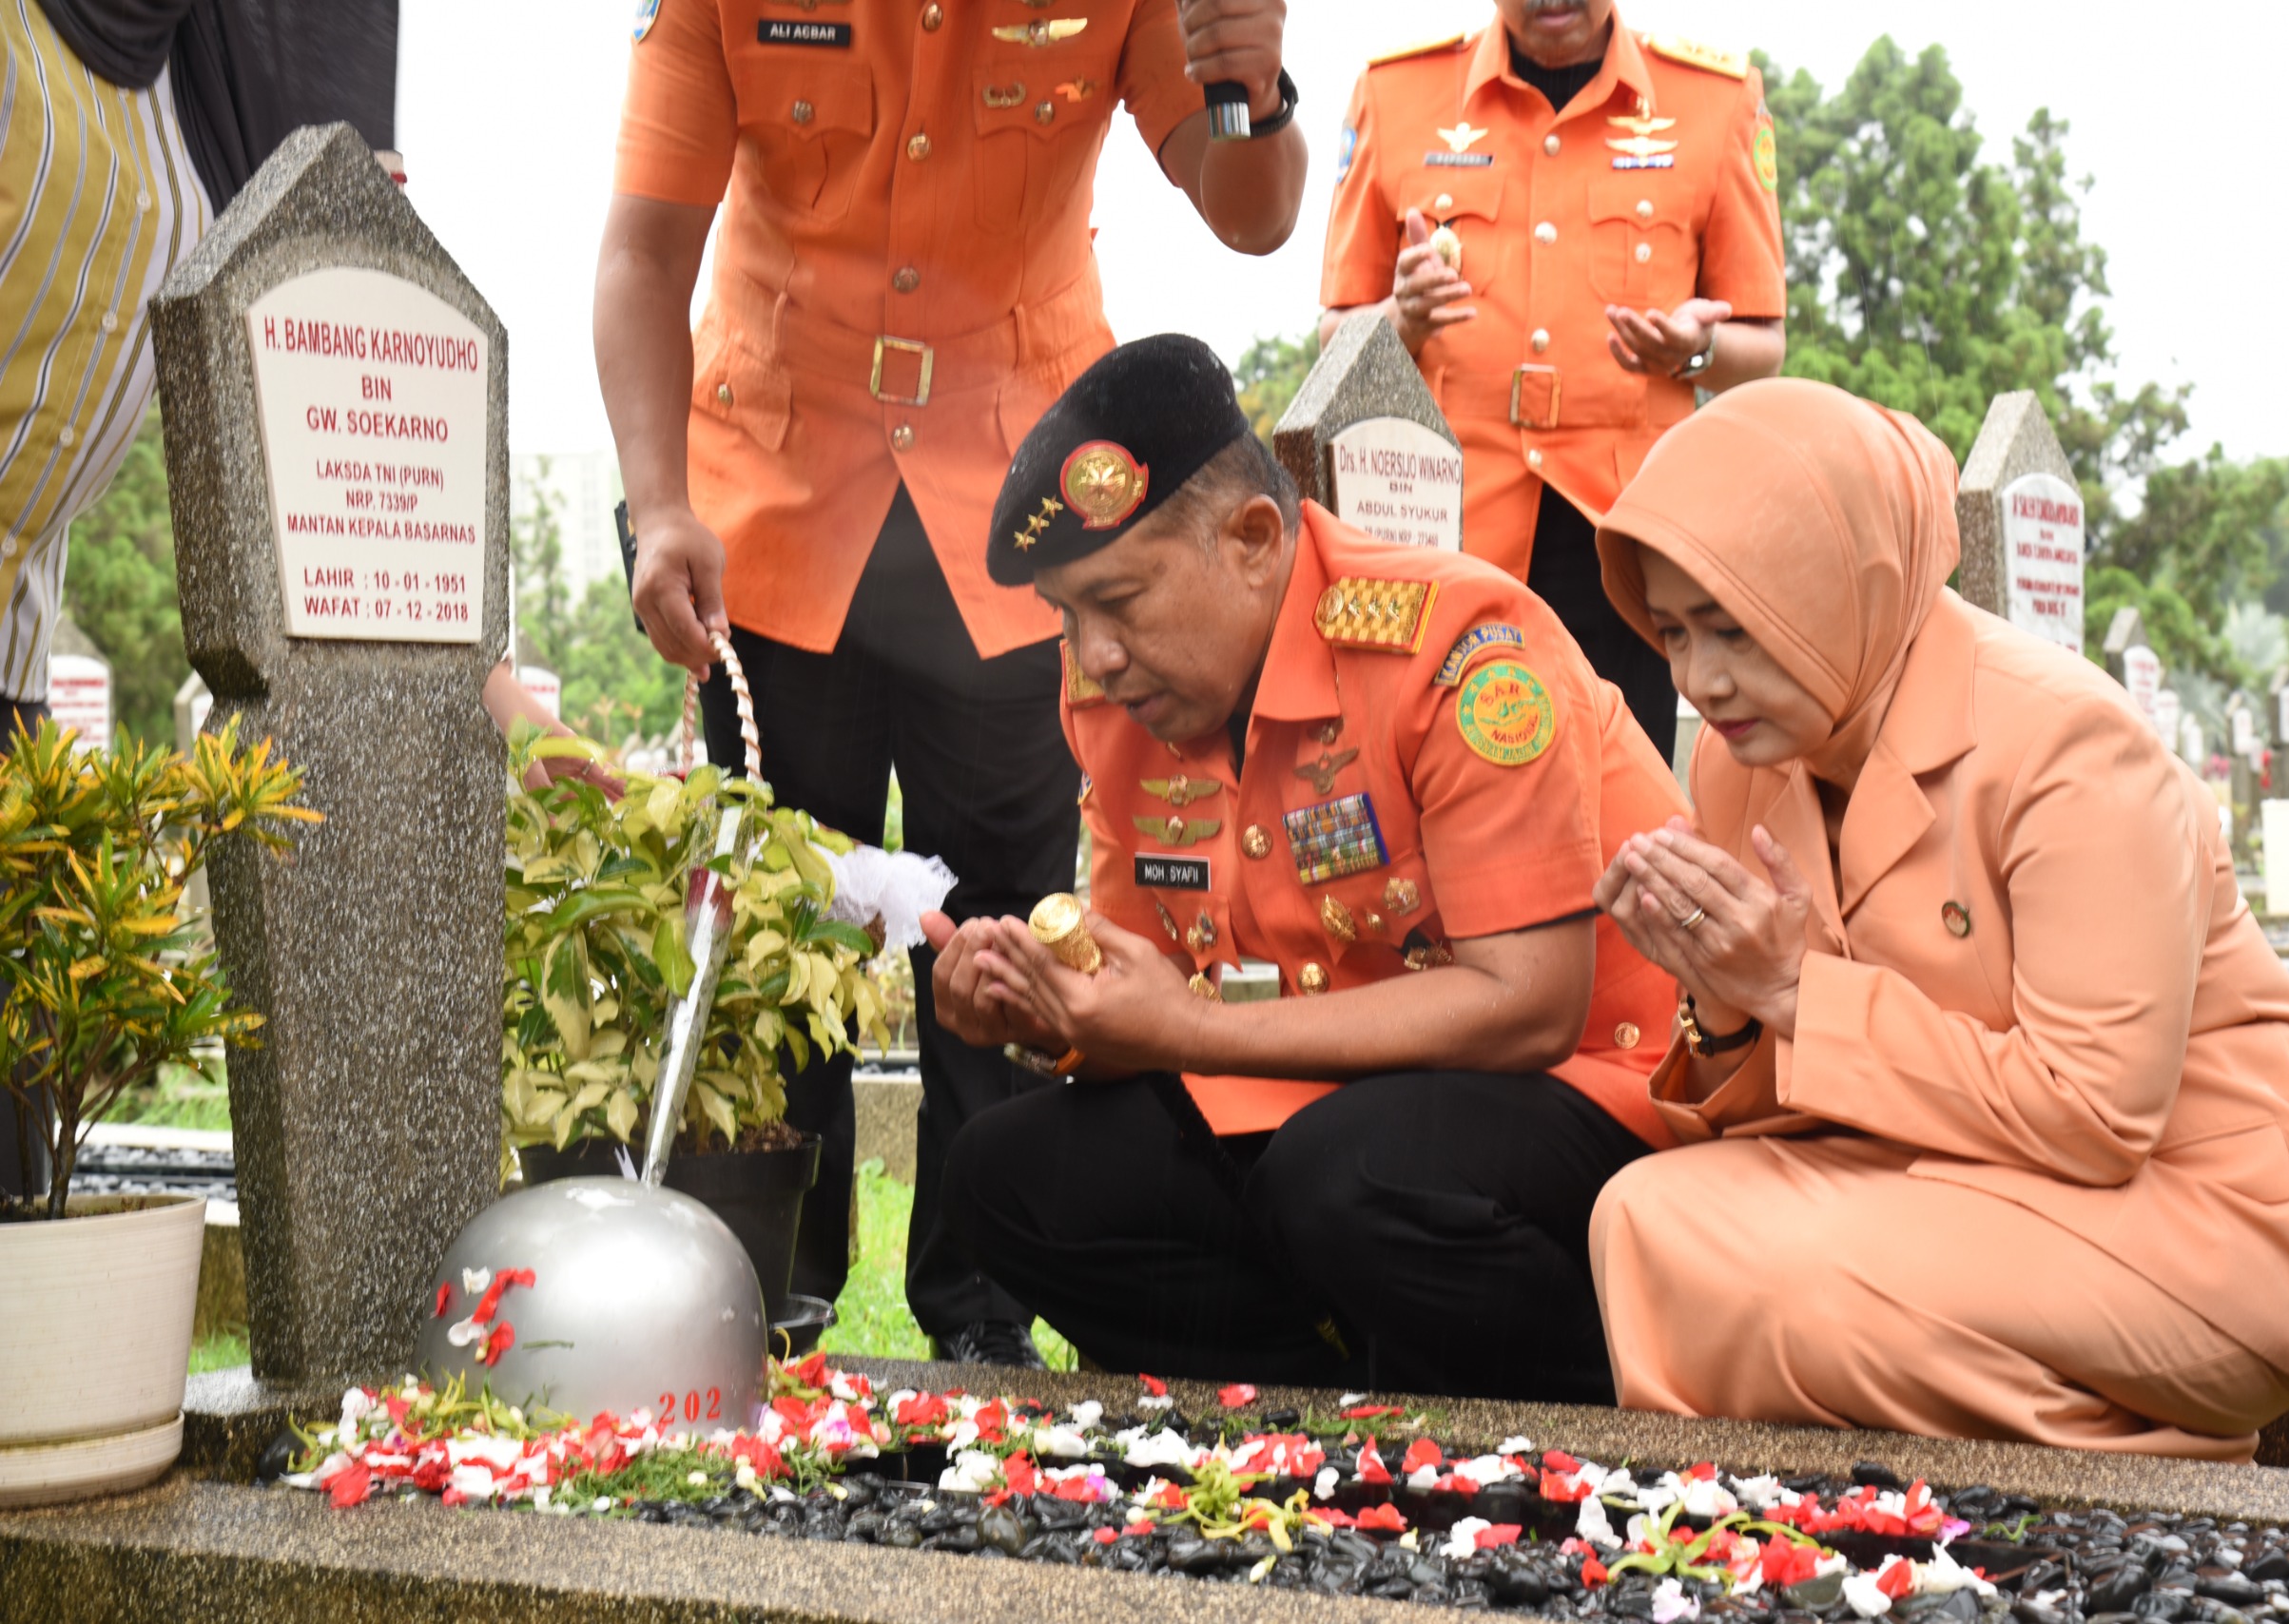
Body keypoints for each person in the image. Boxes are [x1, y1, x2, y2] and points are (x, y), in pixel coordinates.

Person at [597, 0, 1309, 1367]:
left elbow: (1252, 215)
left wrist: (1252, 91)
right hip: (776, 509)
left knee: (1003, 922)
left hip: (1012, 521)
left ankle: (981, 1313)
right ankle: (763, 1306)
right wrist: (657, 503)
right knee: (772, 924)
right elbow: (641, 252)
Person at [1583, 377, 2289, 1457]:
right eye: (1674, 632)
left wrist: (1790, 988)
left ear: (1840, 586)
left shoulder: (2069, 746)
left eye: (1734, 627)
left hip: (2212, 1203)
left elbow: (2097, 1119)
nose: (1702, 679)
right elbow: (1796, 1106)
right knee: (1641, 1220)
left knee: (1806, 1283)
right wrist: (1725, 997)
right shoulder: (1747, 767)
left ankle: (2134, 1469)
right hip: (1951, 1171)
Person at [922, 334, 1685, 1403]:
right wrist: (1049, 1014)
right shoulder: (1124, 704)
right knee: (1005, 1179)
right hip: (1319, 1098)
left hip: (1587, 1096)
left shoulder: (1459, 647)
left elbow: (1532, 1008)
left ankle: (1585, 1409)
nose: (1093, 653)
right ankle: (1333, 1404)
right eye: (1068, 614)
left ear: (1250, 537)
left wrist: (1187, 1029)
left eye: (1122, 600)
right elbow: (1145, 993)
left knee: (1349, 1172)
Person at [1319, 0, 1784, 762]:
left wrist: (1692, 351)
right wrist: (1400, 319)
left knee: (1619, 812)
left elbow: (1764, 344)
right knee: (1441, 800)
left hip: (1630, 549)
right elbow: (1335, 336)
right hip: (1443, 537)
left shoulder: (1716, 98)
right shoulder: (1394, 92)